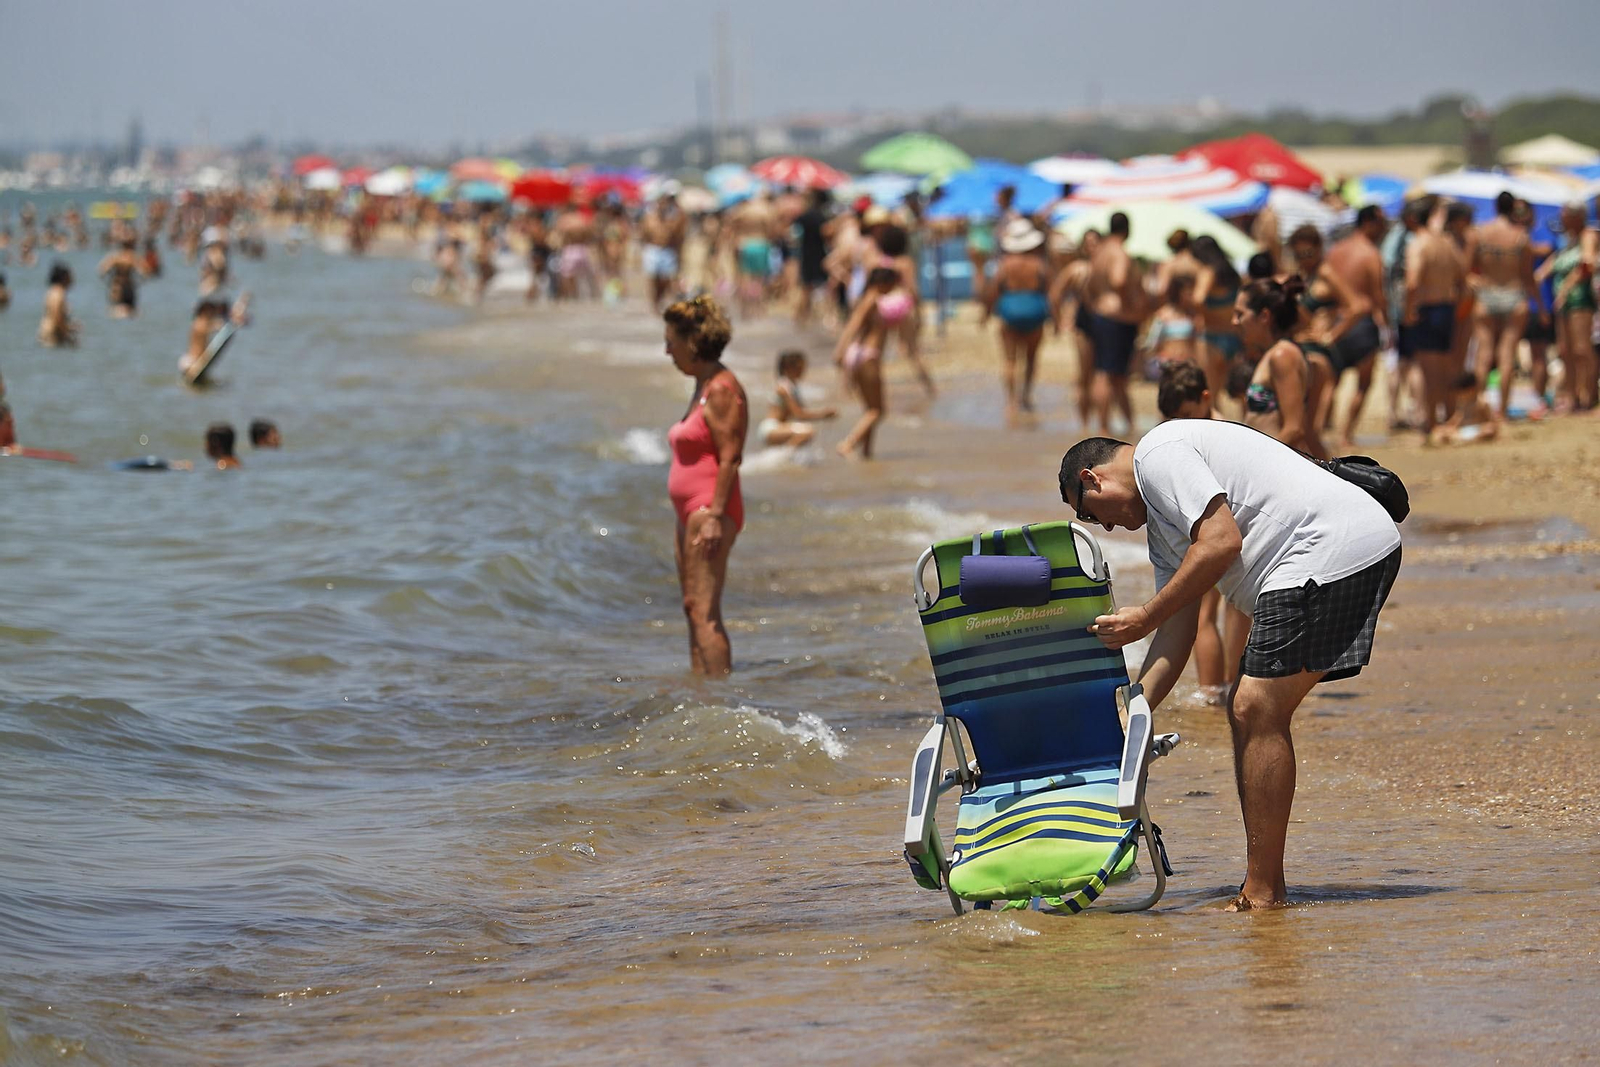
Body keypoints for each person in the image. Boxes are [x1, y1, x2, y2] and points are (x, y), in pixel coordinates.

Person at [1058, 423, 1401, 909]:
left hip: (1329, 546)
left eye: (1090, 515)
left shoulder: (1157, 454)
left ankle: (1263, 892)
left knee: (1254, 707)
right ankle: (1264, 884)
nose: (1106, 528)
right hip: (1330, 552)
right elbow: (1178, 630)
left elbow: (1221, 542)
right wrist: (1134, 709)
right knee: (1249, 710)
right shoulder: (1163, 527)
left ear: (1092, 479)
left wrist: (1144, 616)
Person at [663, 296, 746, 676]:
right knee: (692, 607)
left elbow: (730, 456)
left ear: (693, 342)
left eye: (672, 342)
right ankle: (702, 690)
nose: (667, 351)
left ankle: (719, 696)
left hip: (710, 509)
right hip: (691, 512)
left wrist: (714, 516)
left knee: (705, 611)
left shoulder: (722, 389)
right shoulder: (704, 385)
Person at [1155, 360, 1231, 703]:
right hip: (1227, 530)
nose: (1180, 424)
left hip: (1211, 531)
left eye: (1186, 414)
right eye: (1173, 419)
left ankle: (1212, 694)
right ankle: (1229, 687)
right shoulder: (1224, 427)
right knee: (1232, 613)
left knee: (1205, 615)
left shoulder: (1211, 434)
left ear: (1206, 398)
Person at [1467, 192, 1545, 421]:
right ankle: (1501, 411)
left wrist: (1475, 283)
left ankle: (1479, 407)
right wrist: (1541, 307)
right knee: (1507, 354)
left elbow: (1467, 269)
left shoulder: (1480, 233)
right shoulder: (1521, 237)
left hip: (1486, 294)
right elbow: (1528, 278)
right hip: (1514, 295)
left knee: (1484, 353)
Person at [1286, 225, 1365, 438]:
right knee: (1305, 423)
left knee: (1312, 426)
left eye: (1308, 254)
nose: (1304, 260)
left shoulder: (1325, 273)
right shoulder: (1305, 276)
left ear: (1319, 249)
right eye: (1298, 255)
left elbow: (1357, 307)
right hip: (1305, 346)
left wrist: (1331, 335)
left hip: (1321, 350)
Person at [1235, 275, 1325, 457]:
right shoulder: (1273, 354)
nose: (1234, 322)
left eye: (1240, 314)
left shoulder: (1282, 356)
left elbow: (1294, 429)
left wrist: (1257, 461)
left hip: (1275, 465)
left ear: (1264, 316)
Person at [1325, 206, 1389, 449]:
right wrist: (1387, 324)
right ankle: (1345, 434)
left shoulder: (1335, 251)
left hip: (1337, 321)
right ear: (1368, 223)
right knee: (1363, 383)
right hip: (1362, 323)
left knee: (1330, 381)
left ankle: (1320, 431)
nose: (1384, 229)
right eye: (1381, 223)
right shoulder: (1372, 254)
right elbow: (1378, 295)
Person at [981, 219, 1056, 417]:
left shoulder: (1005, 265)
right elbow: (1051, 294)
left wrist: (986, 314)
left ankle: (1011, 402)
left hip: (1010, 315)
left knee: (1009, 360)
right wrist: (1056, 320)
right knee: (1031, 359)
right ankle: (1026, 397)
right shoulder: (1039, 265)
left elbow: (993, 291)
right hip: (1035, 314)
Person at [1403, 200, 1466, 432]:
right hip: (1446, 308)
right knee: (1446, 368)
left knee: (1429, 371)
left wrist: (1408, 311)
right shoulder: (1447, 242)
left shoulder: (1418, 244)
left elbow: (1412, 282)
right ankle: (1449, 417)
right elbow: (1462, 276)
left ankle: (1431, 423)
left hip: (1427, 309)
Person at [833, 266, 908, 459]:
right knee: (878, 411)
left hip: (859, 355)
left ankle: (867, 453)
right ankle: (848, 444)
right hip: (868, 356)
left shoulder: (867, 298)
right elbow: (853, 325)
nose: (893, 288)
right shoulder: (871, 299)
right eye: (892, 284)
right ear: (883, 282)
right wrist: (839, 352)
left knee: (869, 409)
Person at [1082, 212, 1145, 433]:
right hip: (1117, 317)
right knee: (1107, 373)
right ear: (1127, 230)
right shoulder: (1119, 253)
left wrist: (1095, 305)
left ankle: (1128, 425)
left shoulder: (1099, 253)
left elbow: (1088, 285)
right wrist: (1129, 306)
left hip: (1100, 315)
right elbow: (1119, 280)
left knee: (1111, 372)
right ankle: (1104, 426)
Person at [1545, 201, 1598, 412]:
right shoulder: (1567, 239)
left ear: (1576, 216)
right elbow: (1555, 260)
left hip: (1580, 300)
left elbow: (1587, 263)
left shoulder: (1588, 235)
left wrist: (1566, 288)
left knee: (1582, 349)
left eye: (1565, 214)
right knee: (1565, 350)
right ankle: (1572, 395)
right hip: (1564, 302)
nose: (1561, 218)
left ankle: (1589, 396)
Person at [1188, 235, 1244, 398]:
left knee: (1209, 394)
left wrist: (1206, 316)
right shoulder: (1232, 273)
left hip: (1212, 337)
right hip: (1234, 336)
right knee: (1240, 394)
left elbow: (1198, 299)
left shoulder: (1208, 271)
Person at [757, 350, 836, 448]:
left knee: (806, 432)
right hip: (772, 428)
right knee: (807, 432)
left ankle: (784, 453)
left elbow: (803, 412)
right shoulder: (783, 387)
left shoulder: (793, 387)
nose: (802, 370)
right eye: (799, 367)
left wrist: (823, 414)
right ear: (788, 368)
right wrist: (823, 414)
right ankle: (784, 455)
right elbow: (798, 414)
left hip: (781, 427)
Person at [640, 190, 688, 312]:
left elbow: (679, 234)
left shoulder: (673, 218)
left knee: (666, 280)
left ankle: (660, 300)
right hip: (653, 250)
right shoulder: (650, 218)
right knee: (653, 280)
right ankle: (655, 304)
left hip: (667, 251)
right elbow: (644, 234)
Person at [793, 188, 832, 329]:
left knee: (806, 288)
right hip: (819, 254)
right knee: (825, 287)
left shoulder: (805, 215)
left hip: (806, 254)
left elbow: (793, 232)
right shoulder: (822, 216)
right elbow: (827, 234)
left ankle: (800, 318)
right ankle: (825, 317)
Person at [1428, 371, 1501, 446]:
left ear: (1472, 389)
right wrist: (1444, 427)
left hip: (1478, 430)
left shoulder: (1482, 402)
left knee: (1489, 430)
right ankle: (1463, 440)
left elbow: (1492, 422)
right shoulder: (1462, 404)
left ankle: (1464, 440)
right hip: (1463, 431)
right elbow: (1456, 420)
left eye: (1462, 393)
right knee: (1439, 431)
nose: (1459, 396)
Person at [1146, 275, 1197, 366]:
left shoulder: (1194, 315)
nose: (1191, 295)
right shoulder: (1162, 315)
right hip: (1166, 363)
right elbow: (1153, 342)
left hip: (1187, 363)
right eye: (1188, 292)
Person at [38, 262, 78, 347]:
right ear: (64, 278)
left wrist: (70, 327)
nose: (72, 280)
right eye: (70, 277)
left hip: (46, 333)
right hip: (52, 336)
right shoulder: (58, 294)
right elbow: (57, 317)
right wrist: (67, 336)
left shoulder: (52, 291)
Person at [99, 237, 140, 318]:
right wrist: (138, 282)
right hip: (129, 286)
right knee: (131, 313)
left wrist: (109, 280)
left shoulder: (115, 257)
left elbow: (102, 271)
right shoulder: (133, 257)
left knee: (115, 312)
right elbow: (144, 272)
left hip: (116, 286)